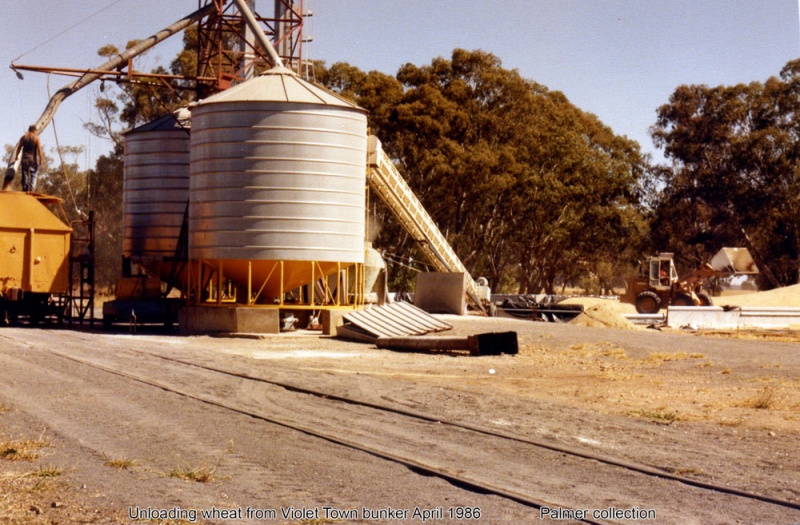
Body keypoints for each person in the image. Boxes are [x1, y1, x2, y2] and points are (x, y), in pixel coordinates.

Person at [4, 125, 44, 192]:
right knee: (33, 174)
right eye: (36, 130)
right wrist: (41, 159)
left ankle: (25, 189)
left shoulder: (23, 137)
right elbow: (40, 150)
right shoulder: (36, 138)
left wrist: (16, 156)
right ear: (34, 130)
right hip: (33, 160)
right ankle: (32, 190)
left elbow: (19, 147)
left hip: (24, 159)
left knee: (25, 175)